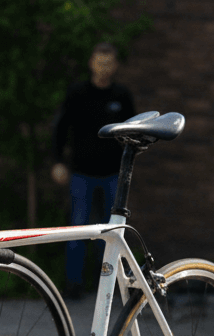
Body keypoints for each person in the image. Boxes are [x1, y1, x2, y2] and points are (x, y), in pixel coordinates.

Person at [52, 43, 136, 298]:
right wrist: (57, 161)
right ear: (91, 63)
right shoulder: (78, 93)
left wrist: (127, 169)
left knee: (112, 233)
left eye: (108, 62)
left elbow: (133, 133)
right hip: (82, 174)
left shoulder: (122, 96)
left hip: (113, 175)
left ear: (116, 66)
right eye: (99, 62)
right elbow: (60, 128)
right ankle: (73, 285)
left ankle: (109, 285)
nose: (103, 68)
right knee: (78, 230)